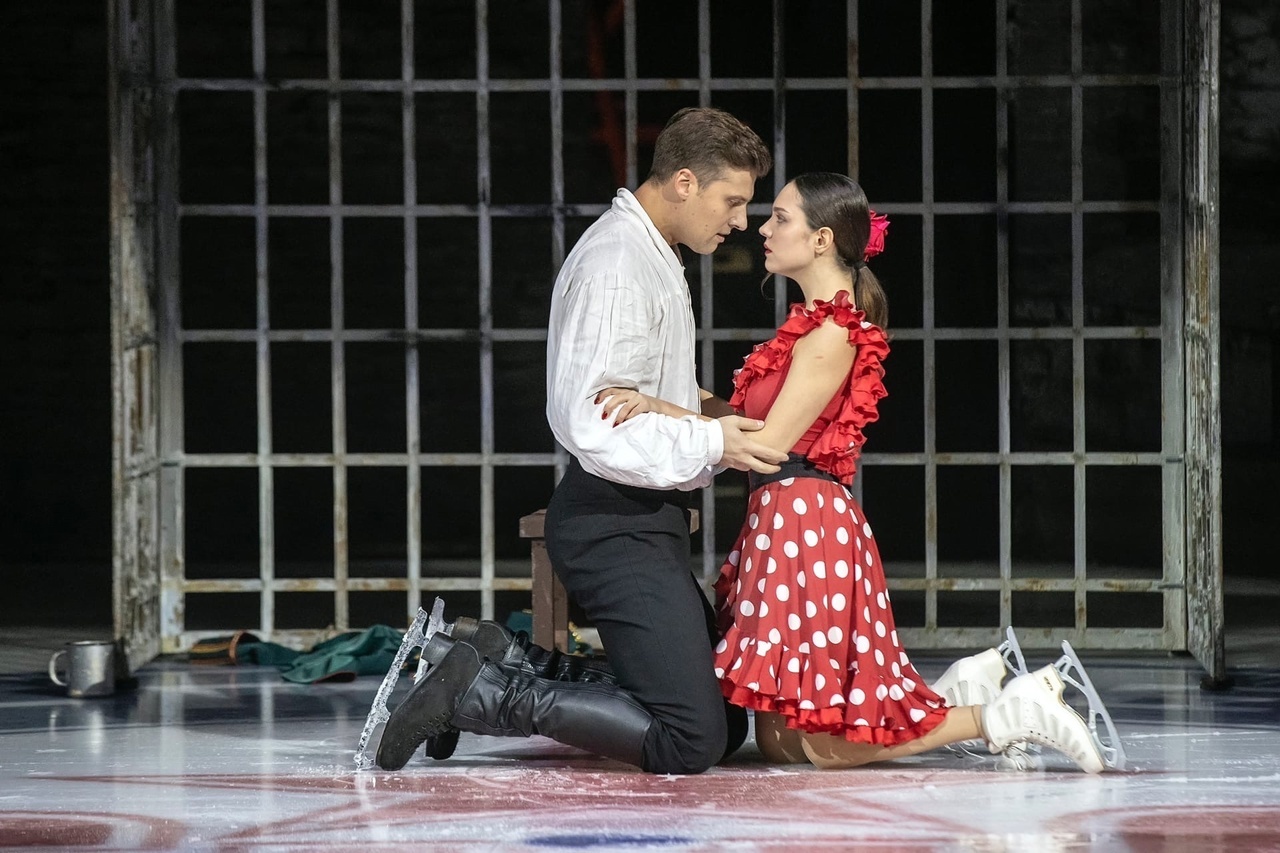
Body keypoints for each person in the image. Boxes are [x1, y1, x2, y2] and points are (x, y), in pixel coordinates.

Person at [596, 172, 1123, 773]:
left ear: (821, 239)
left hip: (806, 529)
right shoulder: (808, 328)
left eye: (781, 218)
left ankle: (1003, 714)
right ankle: (953, 696)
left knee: (826, 746)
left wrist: (658, 406)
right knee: (779, 741)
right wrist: (666, 394)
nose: (762, 229)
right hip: (779, 521)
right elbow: (745, 422)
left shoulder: (833, 334)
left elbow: (766, 445)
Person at [374, 107, 787, 775]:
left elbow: (660, 391)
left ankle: (505, 659)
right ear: (684, 181)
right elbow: (594, 418)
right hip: (612, 523)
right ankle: (482, 692)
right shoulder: (618, 264)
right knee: (691, 738)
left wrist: (749, 419)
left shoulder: (652, 254)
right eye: (732, 201)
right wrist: (716, 443)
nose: (741, 220)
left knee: (723, 710)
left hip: (642, 519)